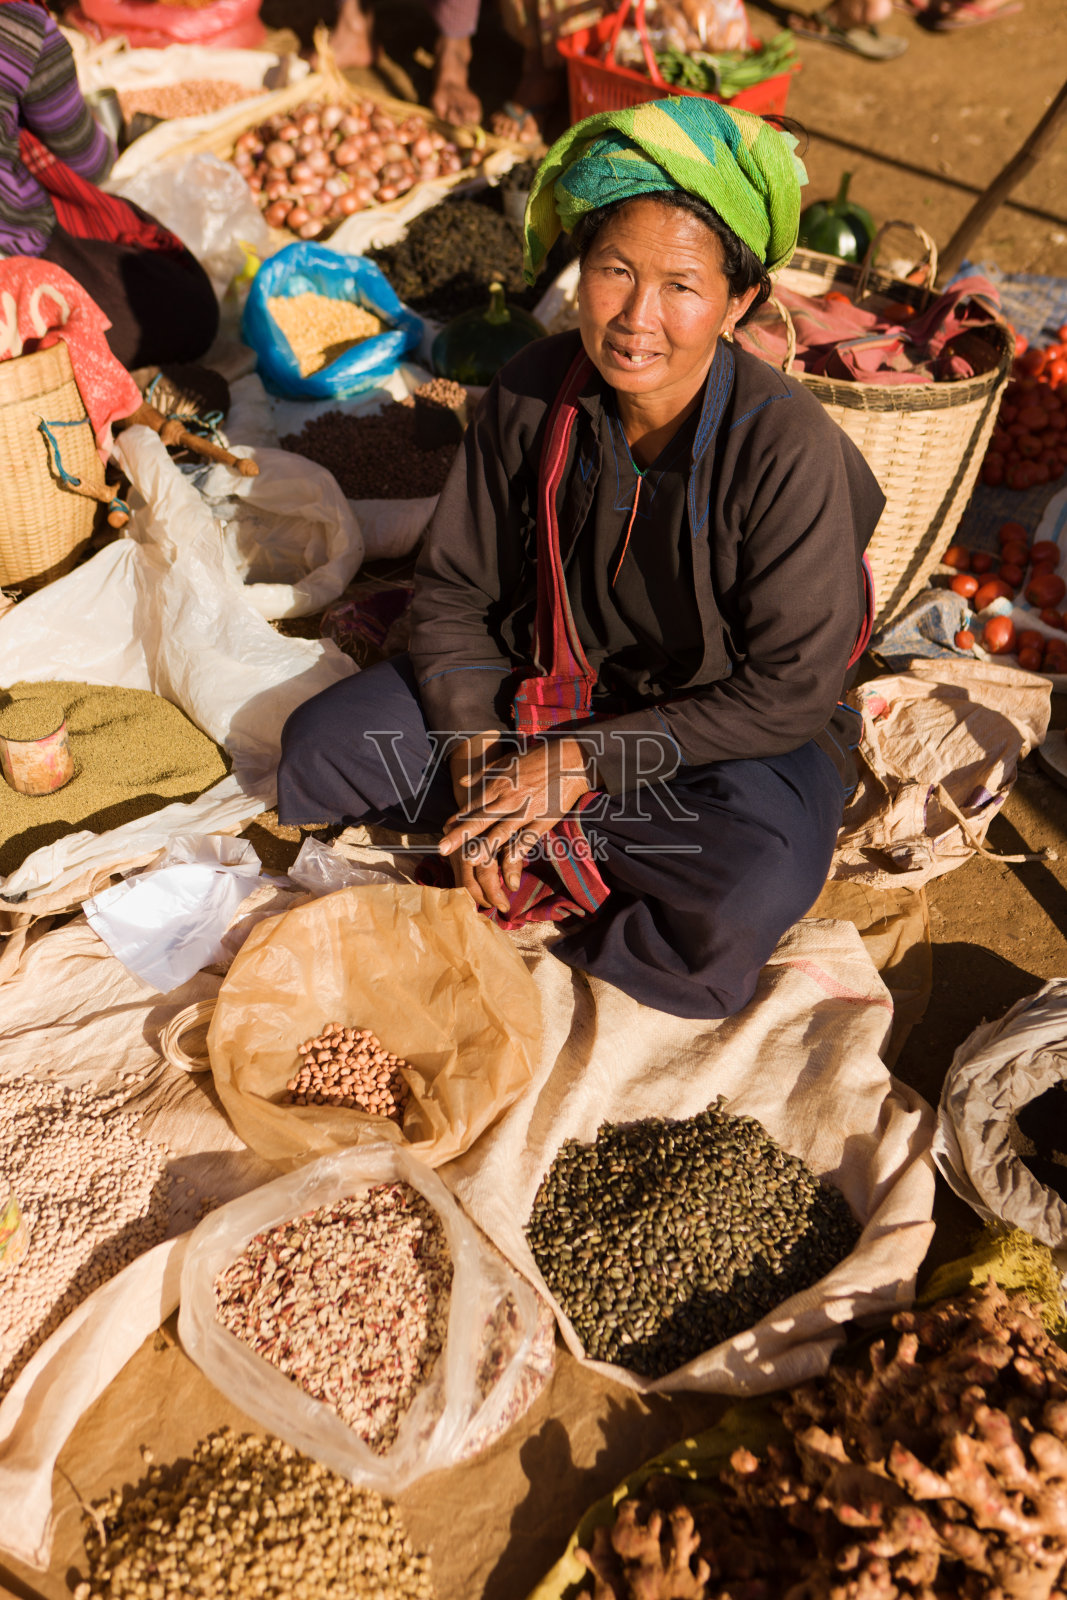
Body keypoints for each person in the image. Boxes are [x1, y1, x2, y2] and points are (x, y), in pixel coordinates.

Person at [277, 97, 885, 1022]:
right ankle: (535, 833)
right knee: (324, 745)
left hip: (707, 739)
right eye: (613, 271)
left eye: (681, 285)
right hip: (540, 685)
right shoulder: (531, 390)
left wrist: (578, 765)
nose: (638, 319)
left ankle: (546, 856)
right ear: (578, 275)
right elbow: (452, 593)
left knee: (756, 874)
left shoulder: (785, 448)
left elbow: (788, 694)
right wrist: (484, 754)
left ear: (739, 302)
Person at [0, 0, 218, 370]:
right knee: (192, 309)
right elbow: (88, 160)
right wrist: (112, 143)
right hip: (15, 262)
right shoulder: (18, 23)